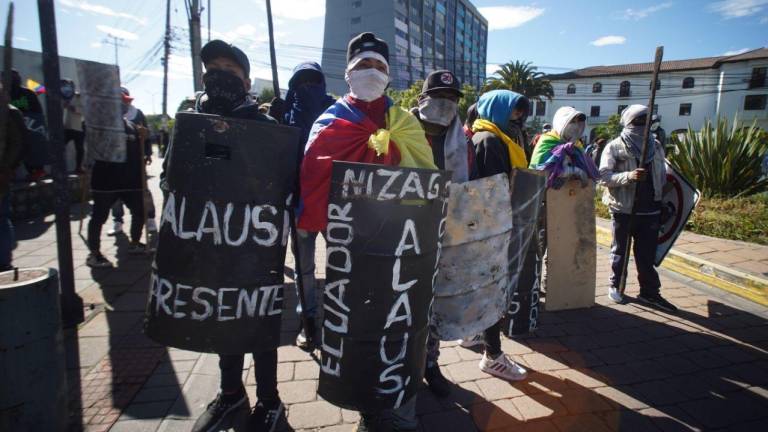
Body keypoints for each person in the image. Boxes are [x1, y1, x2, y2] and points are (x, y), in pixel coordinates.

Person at [298, 32, 435, 432]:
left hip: (399, 239)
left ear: (389, 75)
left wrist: (389, 149)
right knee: (360, 320)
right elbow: (314, 166)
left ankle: (402, 408)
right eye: (363, 65)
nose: (371, 72)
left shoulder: (405, 122)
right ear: (349, 73)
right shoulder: (332, 120)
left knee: (400, 317)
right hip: (349, 245)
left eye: (379, 66)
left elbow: (425, 176)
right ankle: (369, 409)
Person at [181, 39, 287, 432]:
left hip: (258, 250)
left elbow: (282, 184)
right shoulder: (193, 122)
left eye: (230, 68)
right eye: (214, 67)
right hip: (212, 246)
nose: (220, 74)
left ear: (245, 80)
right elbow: (175, 176)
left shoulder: (267, 127)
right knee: (224, 320)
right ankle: (231, 395)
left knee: (259, 324)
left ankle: (271, 401)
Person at [410, 69, 476, 398]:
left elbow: (465, 185)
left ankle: (430, 364)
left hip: (441, 235)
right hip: (401, 232)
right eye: (440, 97)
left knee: (432, 304)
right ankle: (401, 364)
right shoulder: (399, 126)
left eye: (452, 99)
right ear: (423, 98)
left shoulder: (458, 136)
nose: (446, 104)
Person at [467, 89, 530, 382]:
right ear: (497, 109)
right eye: (513, 111)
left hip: (488, 224)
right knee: (493, 288)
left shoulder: (499, 137)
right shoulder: (490, 139)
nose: (518, 117)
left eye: (520, 112)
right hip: (491, 225)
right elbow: (492, 189)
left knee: (483, 285)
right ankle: (493, 356)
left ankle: (473, 334)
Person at [599, 104, 677, 312]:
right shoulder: (615, 146)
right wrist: (628, 176)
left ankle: (649, 292)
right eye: (639, 121)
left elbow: (663, 172)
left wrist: (664, 188)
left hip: (651, 209)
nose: (644, 126)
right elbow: (604, 177)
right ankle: (615, 285)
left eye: (647, 121)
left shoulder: (657, 145)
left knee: (646, 255)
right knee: (620, 252)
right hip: (624, 209)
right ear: (629, 122)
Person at [282, 61, 336, 350]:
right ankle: (308, 320)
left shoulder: (335, 111)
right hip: (300, 204)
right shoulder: (286, 112)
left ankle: (339, 315)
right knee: (304, 267)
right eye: (301, 82)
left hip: (332, 204)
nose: (307, 88)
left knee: (340, 263)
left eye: (313, 81)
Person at [85, 100, 147, 268]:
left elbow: (138, 153)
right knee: (99, 217)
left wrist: (143, 137)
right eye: (121, 103)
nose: (125, 106)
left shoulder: (132, 127)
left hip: (130, 182)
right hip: (106, 182)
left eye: (126, 103)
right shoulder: (100, 127)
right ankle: (94, 253)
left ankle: (135, 242)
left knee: (140, 212)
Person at [109, 87, 157, 236]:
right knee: (115, 193)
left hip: (135, 160)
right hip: (115, 161)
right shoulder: (109, 117)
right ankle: (118, 221)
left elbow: (146, 134)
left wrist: (147, 153)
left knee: (143, 191)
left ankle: (150, 219)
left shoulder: (137, 114)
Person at [0, 103, 27, 271]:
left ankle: (3, 263)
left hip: (2, 171)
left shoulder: (8, 111)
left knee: (1, 218)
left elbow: (19, 143)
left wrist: (7, 168)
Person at [9, 70, 47, 181]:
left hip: (30, 127)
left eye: (15, 76)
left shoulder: (28, 92)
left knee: (32, 148)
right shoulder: (5, 93)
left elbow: (38, 112)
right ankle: (10, 172)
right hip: (13, 128)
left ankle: (38, 171)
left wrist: (37, 126)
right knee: (17, 150)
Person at [61, 78, 85, 174]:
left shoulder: (79, 97)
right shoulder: (60, 95)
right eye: (65, 86)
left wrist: (72, 108)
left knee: (79, 148)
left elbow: (85, 110)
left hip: (78, 126)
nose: (67, 88)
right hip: (65, 127)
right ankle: (59, 167)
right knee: (59, 147)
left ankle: (79, 167)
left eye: (69, 86)